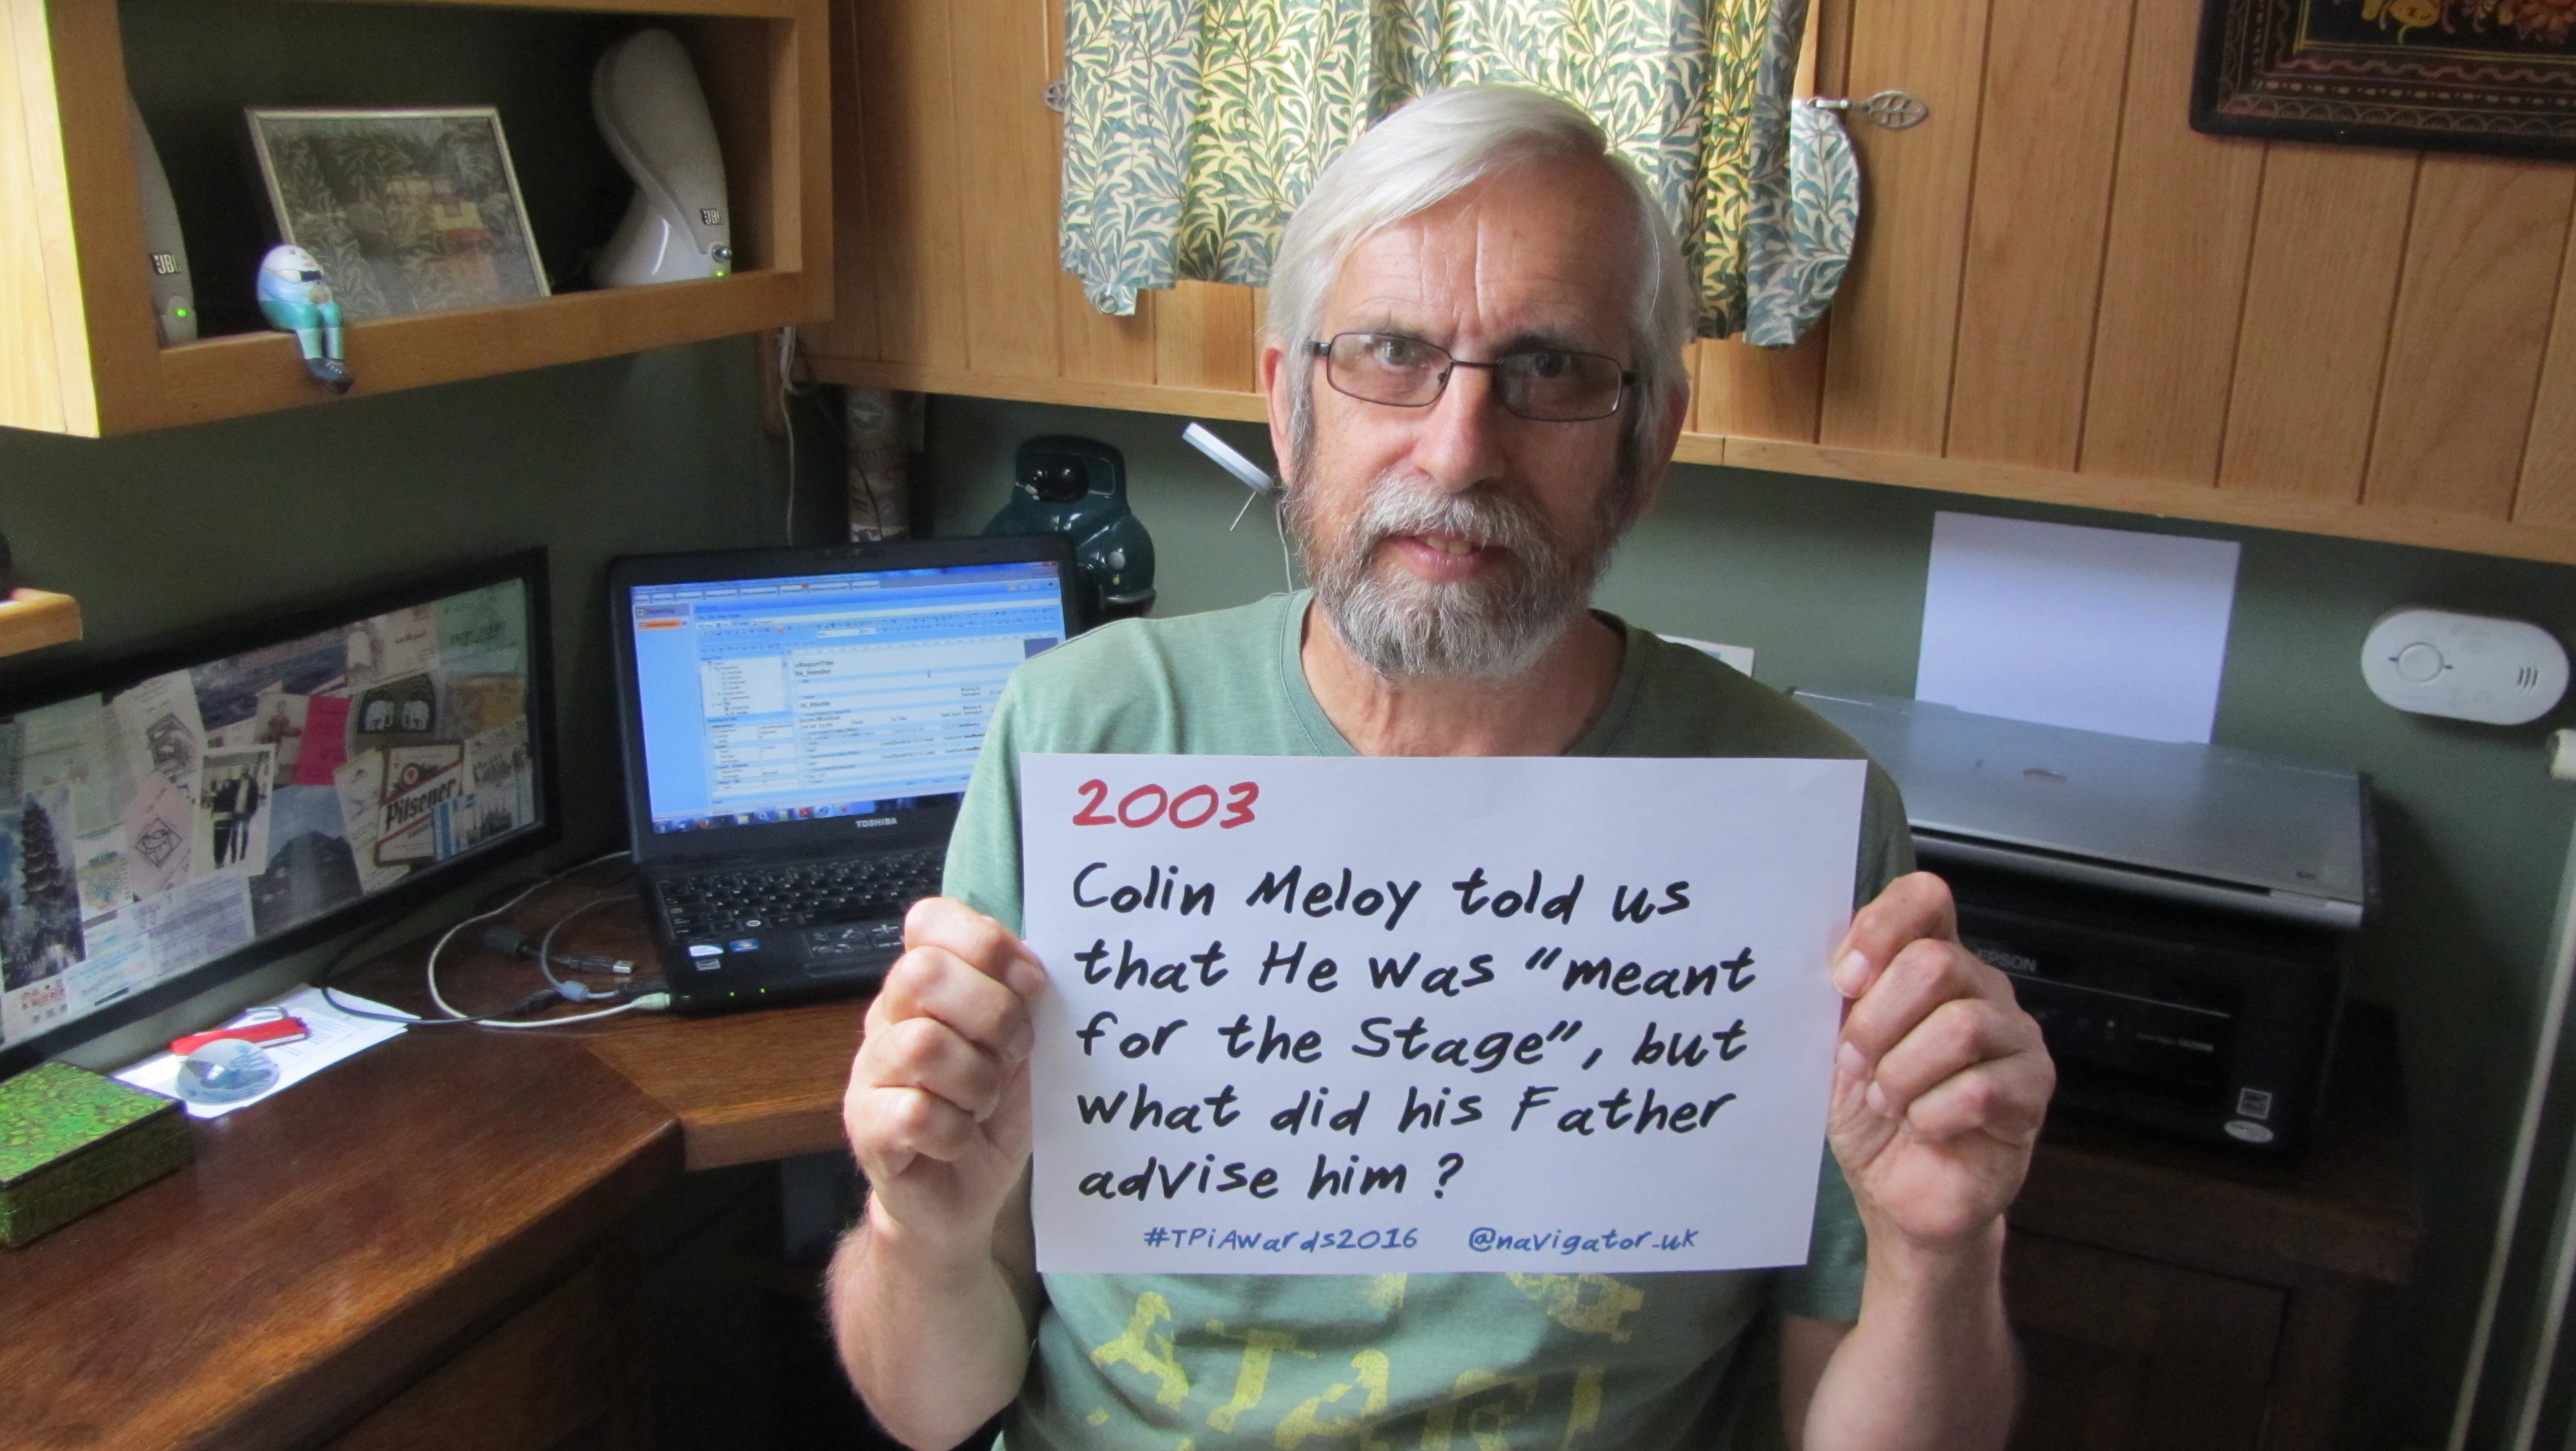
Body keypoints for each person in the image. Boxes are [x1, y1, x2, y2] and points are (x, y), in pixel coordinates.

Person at [830, 85, 2055, 1451]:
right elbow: (930, 1408)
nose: (1461, 449)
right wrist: (920, 1231)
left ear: (1648, 442)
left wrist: (1940, 1254)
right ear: (1287, 403)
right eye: (1391, 353)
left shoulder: (1804, 821)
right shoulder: (1080, 732)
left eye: (1551, 369)